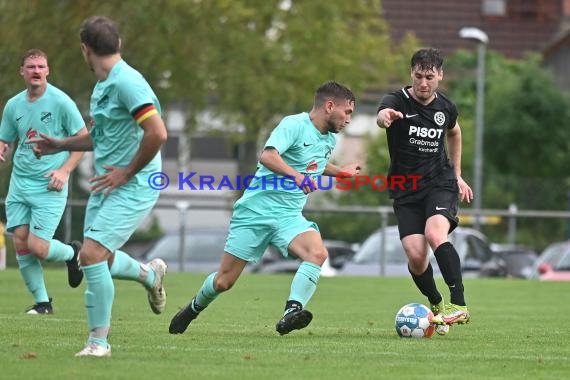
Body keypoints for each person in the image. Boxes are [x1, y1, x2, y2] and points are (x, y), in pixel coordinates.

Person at [169, 81, 360, 336]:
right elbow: (268, 156)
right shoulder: (293, 125)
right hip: (255, 212)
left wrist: (339, 172)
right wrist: (296, 176)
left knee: (317, 254)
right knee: (224, 281)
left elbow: (312, 164)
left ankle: (291, 312)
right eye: (347, 112)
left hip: (288, 216)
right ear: (329, 106)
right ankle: (192, 309)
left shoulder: (328, 139)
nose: (349, 119)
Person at [30, 16, 168, 357]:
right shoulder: (104, 85)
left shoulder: (128, 83)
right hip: (107, 181)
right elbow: (103, 138)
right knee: (98, 261)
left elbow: (158, 133)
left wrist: (127, 172)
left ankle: (98, 343)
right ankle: (149, 275)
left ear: (85, 50)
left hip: (134, 183)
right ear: (117, 43)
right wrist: (62, 145)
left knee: (90, 255)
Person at [376, 48, 474, 329]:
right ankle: (436, 301)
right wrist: (385, 118)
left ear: (440, 76)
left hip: (439, 183)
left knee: (435, 233)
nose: (423, 83)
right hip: (404, 190)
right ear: (411, 74)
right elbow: (381, 115)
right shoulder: (396, 100)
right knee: (417, 257)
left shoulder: (446, 107)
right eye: (418, 76)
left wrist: (457, 175)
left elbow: (454, 132)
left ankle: (459, 305)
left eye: (429, 77)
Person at [0, 49, 87, 314]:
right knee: (21, 242)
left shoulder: (61, 102)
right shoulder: (13, 105)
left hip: (50, 185)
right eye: (31, 67)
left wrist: (65, 171)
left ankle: (73, 255)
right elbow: (6, 138)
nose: (36, 71)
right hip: (20, 183)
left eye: (41, 66)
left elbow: (83, 140)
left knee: (38, 247)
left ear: (48, 71)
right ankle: (42, 303)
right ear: (22, 72)